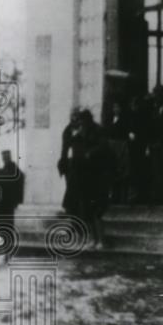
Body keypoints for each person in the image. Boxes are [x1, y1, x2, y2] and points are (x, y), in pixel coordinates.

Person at [71, 109, 111, 249]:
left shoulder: (98, 131)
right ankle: (93, 239)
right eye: (80, 121)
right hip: (84, 176)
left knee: (97, 211)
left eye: (83, 121)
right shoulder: (80, 134)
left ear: (88, 120)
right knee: (86, 211)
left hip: (97, 176)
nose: (81, 124)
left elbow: (104, 146)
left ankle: (101, 240)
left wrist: (91, 153)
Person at [56, 107, 81, 215]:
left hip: (80, 161)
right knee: (70, 185)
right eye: (72, 115)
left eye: (76, 115)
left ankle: (71, 207)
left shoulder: (83, 129)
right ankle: (69, 208)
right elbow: (65, 147)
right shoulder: (67, 130)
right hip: (69, 162)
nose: (74, 117)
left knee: (76, 186)